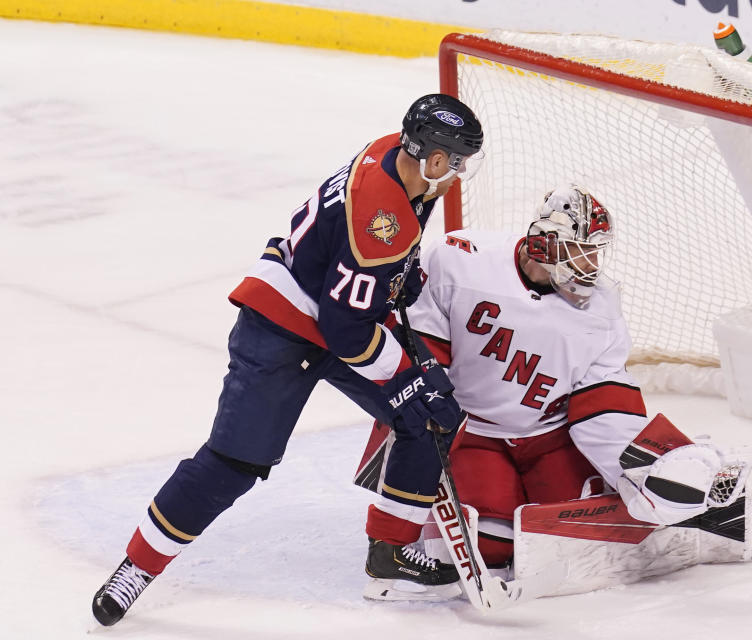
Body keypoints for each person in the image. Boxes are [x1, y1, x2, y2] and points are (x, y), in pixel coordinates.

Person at [91, 93, 484, 626]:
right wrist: (401, 379)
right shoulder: (382, 213)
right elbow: (346, 329)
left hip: (337, 307)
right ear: (435, 159)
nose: (460, 173)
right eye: (457, 161)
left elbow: (354, 285)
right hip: (282, 326)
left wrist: (397, 280)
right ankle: (136, 567)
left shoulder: (400, 157)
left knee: (435, 411)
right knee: (234, 462)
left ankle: (388, 554)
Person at [357, 185, 752, 599]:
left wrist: (641, 468)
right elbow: (419, 358)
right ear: (544, 243)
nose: (591, 265)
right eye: (580, 250)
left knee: (583, 524)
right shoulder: (461, 261)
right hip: (471, 432)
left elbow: (602, 402)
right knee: (491, 546)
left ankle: (690, 469)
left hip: (551, 435)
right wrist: (424, 430)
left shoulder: (601, 308)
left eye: (597, 251)